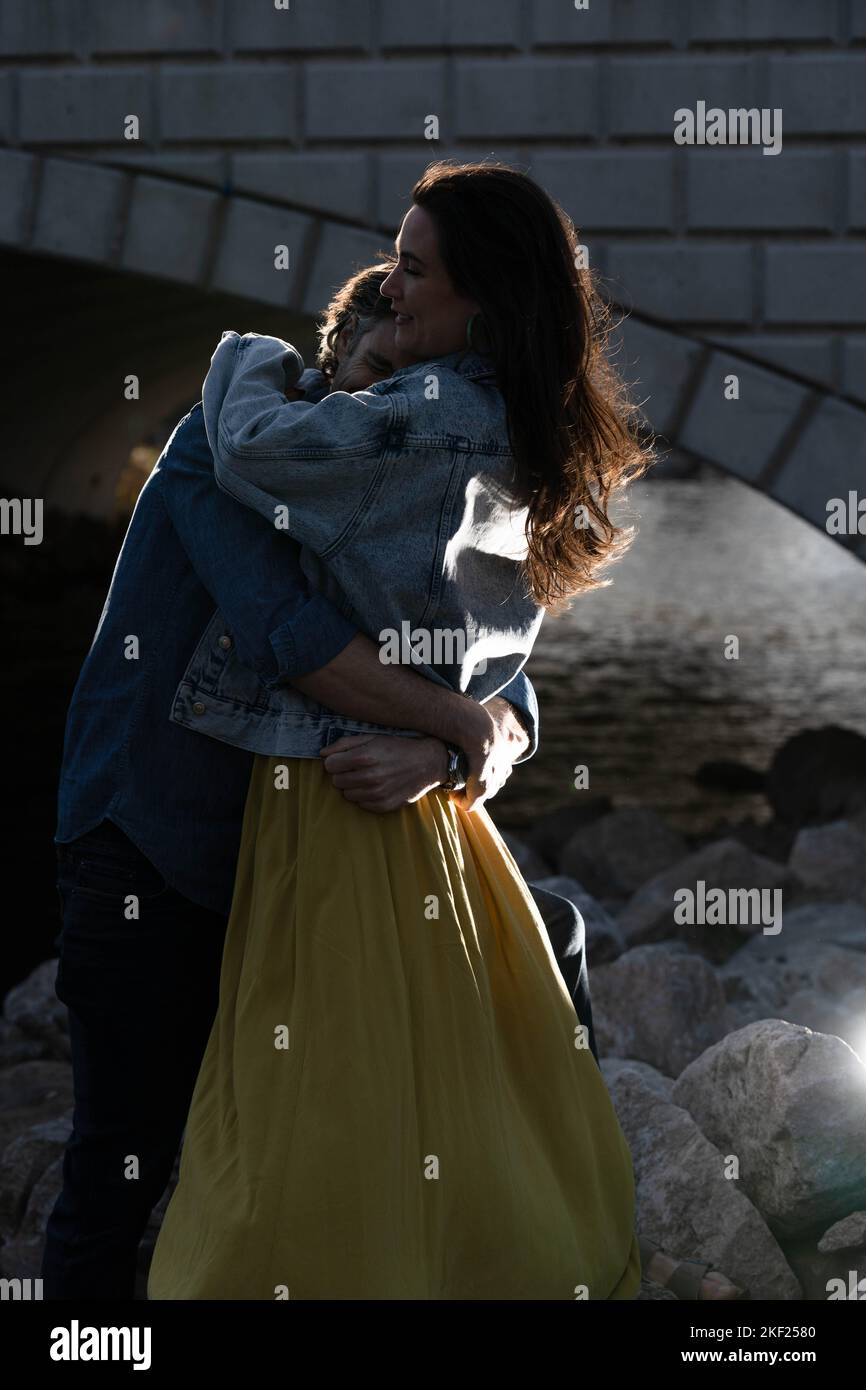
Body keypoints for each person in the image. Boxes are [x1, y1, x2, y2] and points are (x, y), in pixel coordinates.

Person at [147, 159, 654, 1301]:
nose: (385, 291)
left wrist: (247, 355)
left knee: (313, 1086)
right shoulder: (522, 431)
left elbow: (255, 451)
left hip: (329, 788)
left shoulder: (427, 418)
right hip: (419, 803)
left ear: (482, 300)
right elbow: (498, 674)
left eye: (412, 272)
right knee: (436, 1074)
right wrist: (454, 740)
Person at [43, 259, 596, 1301]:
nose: (383, 412)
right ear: (328, 361)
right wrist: (452, 726)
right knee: (121, 1164)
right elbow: (288, 633)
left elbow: (502, 678)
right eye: (373, 374)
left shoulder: (379, 492)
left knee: (318, 1157)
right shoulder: (232, 446)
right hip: (151, 854)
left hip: (293, 888)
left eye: (402, 388)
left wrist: (446, 747)